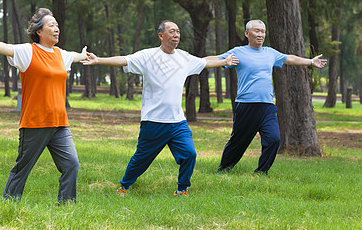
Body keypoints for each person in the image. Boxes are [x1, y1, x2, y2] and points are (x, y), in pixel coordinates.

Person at [82, 20, 239, 196]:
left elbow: (205, 61)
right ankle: (124, 186)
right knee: (141, 158)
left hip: (177, 122)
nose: (176, 35)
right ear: (161, 35)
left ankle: (182, 189)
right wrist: (98, 60)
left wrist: (224, 60)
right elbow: (124, 60)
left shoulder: (183, 57)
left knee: (190, 154)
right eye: (172, 31)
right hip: (153, 122)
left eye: (178, 32)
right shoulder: (147, 56)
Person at [0, 8, 87, 203]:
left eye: (57, 25)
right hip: (35, 123)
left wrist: (83, 55)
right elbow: (5, 47)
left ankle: (67, 205)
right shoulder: (28, 52)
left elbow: (74, 56)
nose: (56, 28)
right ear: (39, 31)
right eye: (51, 25)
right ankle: (8, 202)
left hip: (60, 123)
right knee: (23, 168)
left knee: (71, 164)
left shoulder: (61, 55)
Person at [214, 19, 327, 175]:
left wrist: (310, 61)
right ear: (247, 33)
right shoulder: (238, 52)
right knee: (238, 142)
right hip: (246, 105)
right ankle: (224, 169)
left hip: (267, 106)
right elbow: (216, 59)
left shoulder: (270, 53)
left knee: (274, 139)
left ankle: (261, 172)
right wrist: (198, 62)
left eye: (263, 31)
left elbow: (290, 58)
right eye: (257, 31)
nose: (261, 34)